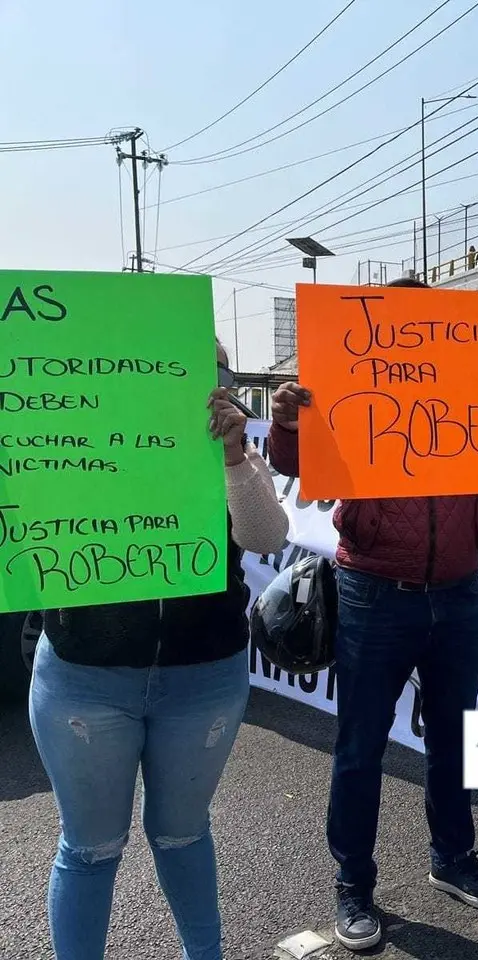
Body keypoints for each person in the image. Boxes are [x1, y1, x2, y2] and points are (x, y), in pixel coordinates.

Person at [267, 276, 478, 951]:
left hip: (457, 594)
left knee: (456, 739)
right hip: (370, 595)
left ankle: (454, 858)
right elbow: (288, 461)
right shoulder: (347, 384)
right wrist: (285, 418)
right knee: (360, 748)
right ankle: (353, 886)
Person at [28, 341, 289, 960]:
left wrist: (233, 454)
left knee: (182, 834)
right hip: (83, 677)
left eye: (212, 372)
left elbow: (266, 535)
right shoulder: (67, 436)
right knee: (90, 848)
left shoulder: (230, 453)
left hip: (204, 677)